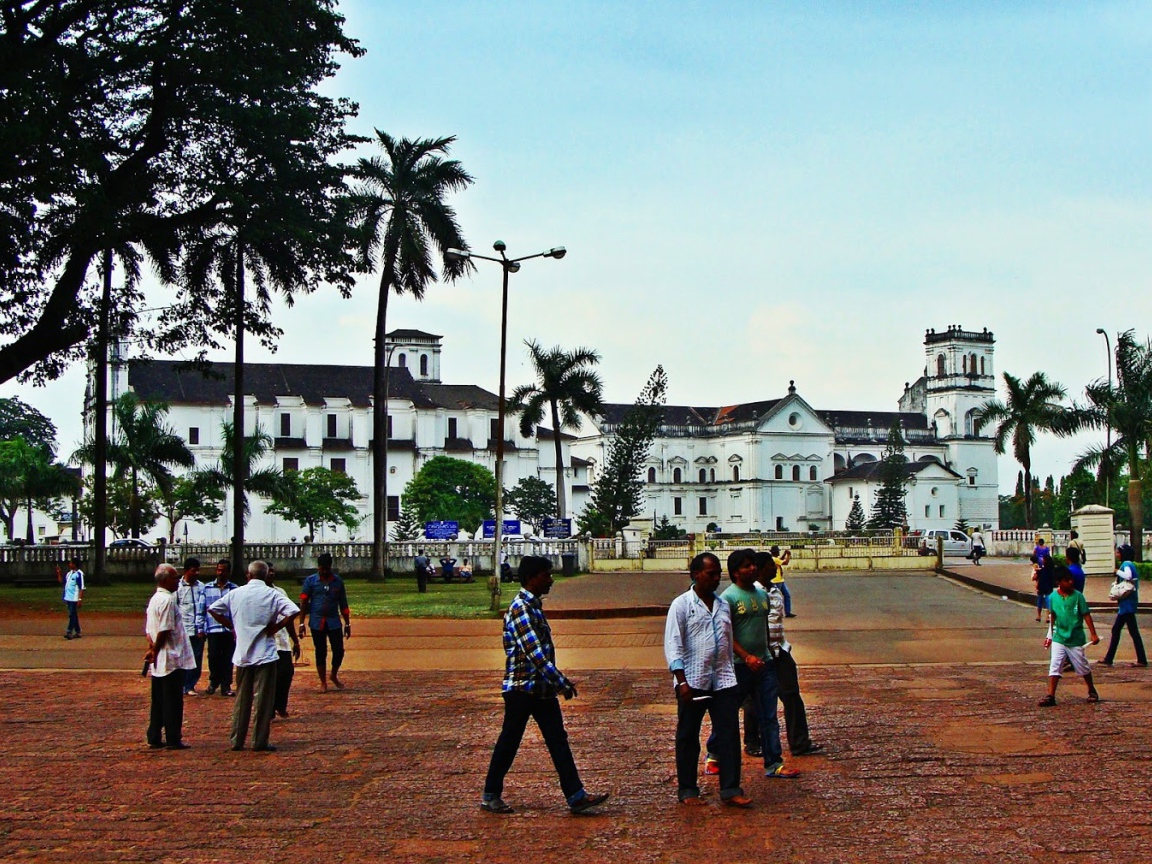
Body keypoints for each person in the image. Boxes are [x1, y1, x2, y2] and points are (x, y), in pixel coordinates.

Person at [481, 555, 609, 815]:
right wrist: (561, 682)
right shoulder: (521, 609)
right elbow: (535, 653)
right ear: (532, 578)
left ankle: (576, 795)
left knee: (557, 740)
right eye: (546, 575)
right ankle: (490, 794)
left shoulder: (533, 606)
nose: (550, 580)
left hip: (540, 689)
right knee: (510, 741)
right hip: (521, 689)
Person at [664, 552, 752, 808]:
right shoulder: (681, 605)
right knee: (688, 736)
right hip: (692, 681)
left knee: (729, 735)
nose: (716, 579)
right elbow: (673, 644)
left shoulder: (723, 605)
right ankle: (688, 789)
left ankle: (731, 788)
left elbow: (727, 639)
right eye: (710, 574)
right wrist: (681, 681)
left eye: (718, 574)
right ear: (695, 575)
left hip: (723, 679)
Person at [705, 550, 800, 781]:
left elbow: (763, 628)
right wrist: (746, 656)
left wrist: (768, 653)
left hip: (764, 664)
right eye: (746, 566)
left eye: (752, 566)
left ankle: (774, 763)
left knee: (768, 715)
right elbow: (725, 635)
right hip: (738, 667)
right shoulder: (728, 598)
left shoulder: (761, 595)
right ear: (736, 571)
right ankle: (713, 754)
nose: (752, 569)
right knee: (727, 714)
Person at [208, 560, 299, 752]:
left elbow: (213, 609)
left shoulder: (236, 593)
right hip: (265, 652)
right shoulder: (272, 594)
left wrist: (232, 625)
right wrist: (275, 627)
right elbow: (293, 611)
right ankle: (259, 740)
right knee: (263, 700)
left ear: (248, 575)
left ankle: (237, 739)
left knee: (242, 697)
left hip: (242, 652)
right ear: (266, 576)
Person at [758, 551, 823, 757]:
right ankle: (753, 742)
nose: (774, 568)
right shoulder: (752, 594)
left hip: (781, 650)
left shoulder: (776, 592)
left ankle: (799, 742)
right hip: (760, 654)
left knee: (792, 696)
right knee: (754, 700)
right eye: (770, 565)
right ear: (759, 569)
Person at [144, 563, 196, 749]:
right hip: (170, 656)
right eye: (174, 578)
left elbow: (149, 629)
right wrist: (156, 649)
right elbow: (165, 629)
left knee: (158, 700)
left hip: (160, 659)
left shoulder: (155, 599)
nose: (177, 582)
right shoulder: (167, 601)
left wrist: (152, 648)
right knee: (172, 700)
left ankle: (154, 734)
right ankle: (173, 737)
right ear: (165, 580)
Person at [1038, 565, 1100, 706]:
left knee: (1082, 666)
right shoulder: (1053, 598)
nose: (1070, 582)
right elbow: (1053, 617)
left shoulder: (1078, 597)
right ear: (1059, 582)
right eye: (1066, 580)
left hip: (1075, 638)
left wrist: (1093, 634)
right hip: (1059, 637)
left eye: (1071, 580)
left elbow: (1086, 615)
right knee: (1055, 665)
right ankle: (1050, 695)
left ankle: (1091, 690)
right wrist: (1050, 635)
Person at [298, 552, 351, 692]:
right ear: (318, 567)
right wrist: (301, 623)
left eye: (328, 569)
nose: (325, 571)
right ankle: (323, 682)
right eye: (323, 569)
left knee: (339, 650)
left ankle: (333, 675)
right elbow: (304, 601)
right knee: (320, 652)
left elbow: (343, 604)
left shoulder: (338, 581)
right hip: (317, 622)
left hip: (334, 622)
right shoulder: (311, 581)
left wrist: (347, 623)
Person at [1101, 544, 1146, 668]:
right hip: (1126, 604)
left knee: (1131, 631)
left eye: (1118, 552)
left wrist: (1117, 571)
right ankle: (1109, 658)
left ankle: (1141, 659)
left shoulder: (1126, 565)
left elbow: (1128, 576)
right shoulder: (1129, 564)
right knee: (1117, 630)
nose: (1117, 554)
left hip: (1127, 604)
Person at [267, 564, 302, 718]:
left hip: (282, 641)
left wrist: (295, 641)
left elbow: (289, 618)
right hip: (266, 643)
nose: (271, 573)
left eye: (273, 570)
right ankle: (268, 709)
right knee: (268, 678)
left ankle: (280, 705)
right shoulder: (254, 594)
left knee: (286, 673)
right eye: (268, 571)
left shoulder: (280, 592)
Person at [203, 559, 238, 696]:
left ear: (228, 572)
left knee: (228, 657)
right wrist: (202, 627)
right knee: (213, 657)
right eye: (218, 569)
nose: (220, 572)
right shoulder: (207, 588)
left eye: (223, 570)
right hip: (213, 628)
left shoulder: (234, 589)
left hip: (229, 630)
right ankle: (214, 681)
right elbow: (203, 609)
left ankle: (226, 685)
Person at [176, 557, 207, 695]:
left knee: (196, 658)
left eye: (198, 570)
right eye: (194, 570)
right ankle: (181, 684)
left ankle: (190, 685)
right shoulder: (178, 587)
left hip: (198, 630)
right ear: (186, 571)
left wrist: (203, 628)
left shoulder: (202, 587)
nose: (197, 573)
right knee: (182, 658)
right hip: (183, 629)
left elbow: (205, 609)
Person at [59, 557, 85, 640]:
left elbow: (81, 587)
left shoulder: (79, 574)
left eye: (71, 563)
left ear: (75, 564)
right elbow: (61, 581)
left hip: (74, 598)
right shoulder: (69, 574)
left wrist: (79, 599)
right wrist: (59, 573)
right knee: (73, 614)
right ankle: (78, 631)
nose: (69, 564)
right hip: (68, 597)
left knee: (72, 614)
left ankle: (69, 631)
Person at [769, 545, 795, 618]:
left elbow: (780, 559)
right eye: (778, 552)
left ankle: (787, 612)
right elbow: (785, 562)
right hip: (777, 581)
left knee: (786, 595)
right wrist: (788, 555)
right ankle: (778, 612)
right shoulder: (774, 559)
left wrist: (784, 554)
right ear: (775, 552)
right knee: (777, 597)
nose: (779, 553)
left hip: (780, 580)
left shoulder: (775, 559)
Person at [1031, 553, 1054, 624]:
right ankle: (1047, 616)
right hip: (1048, 587)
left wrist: (1035, 572)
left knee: (1040, 602)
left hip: (1041, 587)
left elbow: (1034, 578)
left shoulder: (1041, 570)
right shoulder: (1051, 570)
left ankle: (1039, 616)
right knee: (1048, 602)